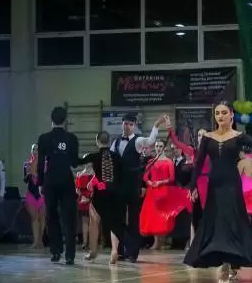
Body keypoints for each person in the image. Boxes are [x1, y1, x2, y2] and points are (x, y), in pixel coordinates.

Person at [184, 102, 252, 283]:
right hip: (214, 185)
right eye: (217, 113)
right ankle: (225, 263)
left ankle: (230, 263)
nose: (220, 116)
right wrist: (193, 186)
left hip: (232, 184)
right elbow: (199, 163)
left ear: (231, 115)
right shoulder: (208, 137)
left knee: (231, 221)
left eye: (224, 113)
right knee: (217, 223)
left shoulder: (239, 136)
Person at [110, 113, 164, 262]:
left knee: (134, 219)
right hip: (119, 186)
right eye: (125, 123)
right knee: (119, 218)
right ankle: (120, 251)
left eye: (130, 124)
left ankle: (133, 253)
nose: (127, 126)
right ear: (121, 124)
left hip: (133, 185)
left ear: (134, 126)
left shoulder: (138, 140)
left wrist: (156, 125)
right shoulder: (115, 143)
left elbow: (150, 140)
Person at [37, 106, 80, 264]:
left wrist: (40, 182)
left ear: (51, 120)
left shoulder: (44, 138)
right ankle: (70, 255)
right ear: (65, 120)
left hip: (50, 181)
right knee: (69, 219)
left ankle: (55, 251)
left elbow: (40, 163)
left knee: (51, 217)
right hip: (66, 181)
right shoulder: (72, 138)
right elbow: (74, 163)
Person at [77, 132, 125, 263]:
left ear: (97, 141)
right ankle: (114, 251)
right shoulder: (117, 157)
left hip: (100, 193)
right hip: (115, 193)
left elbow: (78, 162)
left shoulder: (94, 156)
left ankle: (93, 251)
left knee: (94, 222)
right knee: (114, 222)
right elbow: (122, 175)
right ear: (109, 141)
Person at [140, 139, 190, 249]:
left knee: (162, 217)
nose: (158, 148)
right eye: (157, 146)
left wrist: (160, 182)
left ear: (164, 148)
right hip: (152, 191)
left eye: (160, 146)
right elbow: (145, 177)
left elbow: (171, 178)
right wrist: (150, 183)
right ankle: (156, 242)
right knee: (153, 216)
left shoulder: (169, 162)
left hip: (163, 190)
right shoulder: (151, 162)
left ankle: (160, 242)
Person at [23, 144, 46, 250]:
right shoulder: (27, 164)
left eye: (37, 149)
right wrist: (28, 173)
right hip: (31, 194)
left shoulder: (45, 164)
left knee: (42, 218)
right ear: (31, 151)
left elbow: (46, 179)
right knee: (34, 217)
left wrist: (36, 174)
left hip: (42, 194)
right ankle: (35, 241)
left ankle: (40, 241)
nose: (35, 151)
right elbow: (25, 180)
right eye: (33, 149)